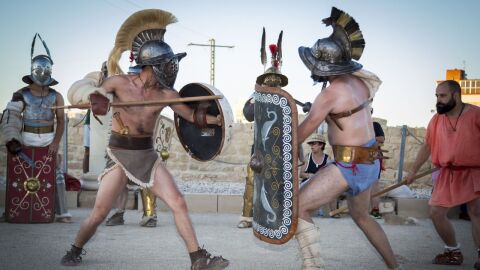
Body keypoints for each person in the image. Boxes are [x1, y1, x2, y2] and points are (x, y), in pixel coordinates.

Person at [60, 9, 229, 269]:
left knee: (178, 202)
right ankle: (75, 249)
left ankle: (198, 258)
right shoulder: (118, 83)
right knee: (99, 213)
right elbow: (94, 92)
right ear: (151, 66)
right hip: (119, 153)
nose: (172, 69)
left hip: (147, 155)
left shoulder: (167, 94)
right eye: (166, 64)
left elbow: (192, 116)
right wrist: (97, 98)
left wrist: (216, 120)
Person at [294, 7, 400, 269]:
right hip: (369, 161)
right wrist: (324, 113)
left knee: (298, 207)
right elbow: (347, 116)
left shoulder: (329, 95)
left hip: (348, 165)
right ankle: (396, 267)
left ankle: (312, 267)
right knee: (362, 216)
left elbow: (301, 134)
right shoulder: (359, 83)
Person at [405, 80, 480, 268]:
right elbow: (427, 146)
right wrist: (413, 170)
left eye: (443, 96)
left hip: (474, 171)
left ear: (456, 95)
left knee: (476, 212)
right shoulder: (437, 119)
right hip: (448, 173)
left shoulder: (476, 115)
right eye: (437, 96)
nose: (438, 100)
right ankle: (453, 252)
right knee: (436, 212)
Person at [1, 33, 72, 223]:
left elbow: (61, 121)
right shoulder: (20, 94)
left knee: (55, 174)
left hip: (48, 137)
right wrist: (12, 139)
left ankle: (62, 212)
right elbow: (11, 116)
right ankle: (13, 210)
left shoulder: (56, 96)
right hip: (26, 136)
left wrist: (56, 142)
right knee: (19, 172)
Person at [299, 133, 340, 218]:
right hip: (309, 183)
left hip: (322, 184)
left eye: (314, 144)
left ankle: (334, 211)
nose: (311, 146)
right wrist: (310, 176)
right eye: (310, 144)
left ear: (321, 145)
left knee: (334, 187)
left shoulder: (327, 159)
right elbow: (301, 174)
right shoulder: (307, 157)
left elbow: (330, 175)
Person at [370, 111, 386, 219]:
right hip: (357, 158)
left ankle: (375, 209)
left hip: (373, 157)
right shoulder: (355, 127)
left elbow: (381, 139)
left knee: (374, 184)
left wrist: (368, 138)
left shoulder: (375, 125)